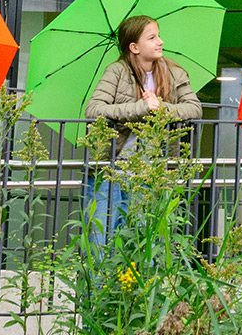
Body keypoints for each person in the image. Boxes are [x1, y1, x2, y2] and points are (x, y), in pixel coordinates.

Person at [83, 15, 202, 241]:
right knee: (101, 238)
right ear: (134, 47)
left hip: (155, 171)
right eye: (152, 37)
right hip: (113, 169)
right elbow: (94, 109)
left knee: (147, 240)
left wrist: (161, 109)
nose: (161, 42)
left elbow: (194, 108)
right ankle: (101, 278)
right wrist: (140, 107)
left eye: (159, 36)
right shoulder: (116, 71)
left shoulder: (173, 72)